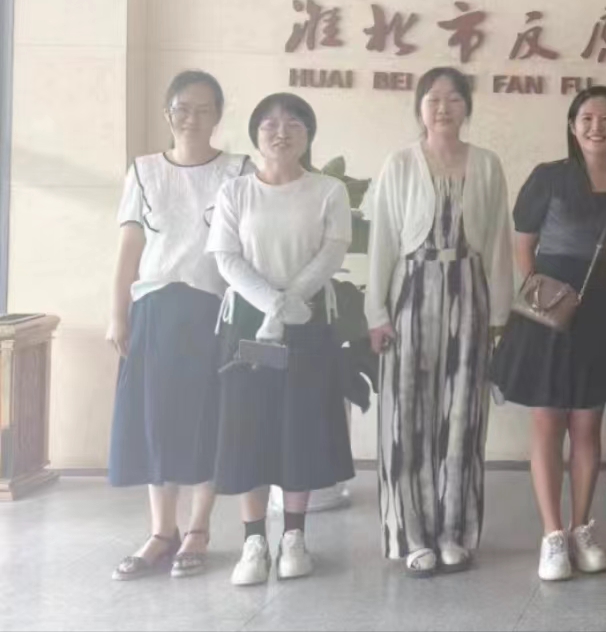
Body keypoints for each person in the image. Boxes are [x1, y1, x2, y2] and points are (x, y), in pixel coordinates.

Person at [365, 67, 514, 577]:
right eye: (433, 99)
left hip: (469, 294)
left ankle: (454, 532)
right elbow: (383, 241)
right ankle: (412, 536)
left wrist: (499, 314)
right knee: (407, 416)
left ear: (467, 106)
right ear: (420, 108)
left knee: (462, 416)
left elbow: (498, 242)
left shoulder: (487, 164)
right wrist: (376, 313)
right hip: (411, 294)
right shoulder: (400, 163)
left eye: (454, 99)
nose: (444, 108)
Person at [107, 71, 251, 581]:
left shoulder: (237, 171)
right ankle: (160, 532)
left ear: (218, 115)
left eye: (204, 109)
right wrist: (117, 313)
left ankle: (198, 529)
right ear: (168, 114)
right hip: (154, 309)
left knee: (208, 420)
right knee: (157, 421)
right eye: (182, 108)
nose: (192, 118)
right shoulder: (144, 170)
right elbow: (130, 247)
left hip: (213, 310)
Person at [490, 87, 606, 582]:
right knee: (549, 422)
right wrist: (540, 297)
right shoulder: (549, 177)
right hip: (548, 311)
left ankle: (581, 528)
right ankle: (552, 534)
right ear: (573, 126)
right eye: (586, 118)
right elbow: (523, 245)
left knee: (588, 426)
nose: (596, 127)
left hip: (602, 311)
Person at [209, 93, 354, 586]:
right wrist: (272, 303)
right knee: (248, 427)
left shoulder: (328, 190)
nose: (281, 132)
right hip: (248, 321)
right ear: (256, 134)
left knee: (300, 426)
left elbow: (332, 252)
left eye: (294, 123)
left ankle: (294, 537)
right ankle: (254, 541)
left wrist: (291, 299)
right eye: (270, 124)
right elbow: (226, 257)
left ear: (308, 135)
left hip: (307, 318)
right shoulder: (235, 192)